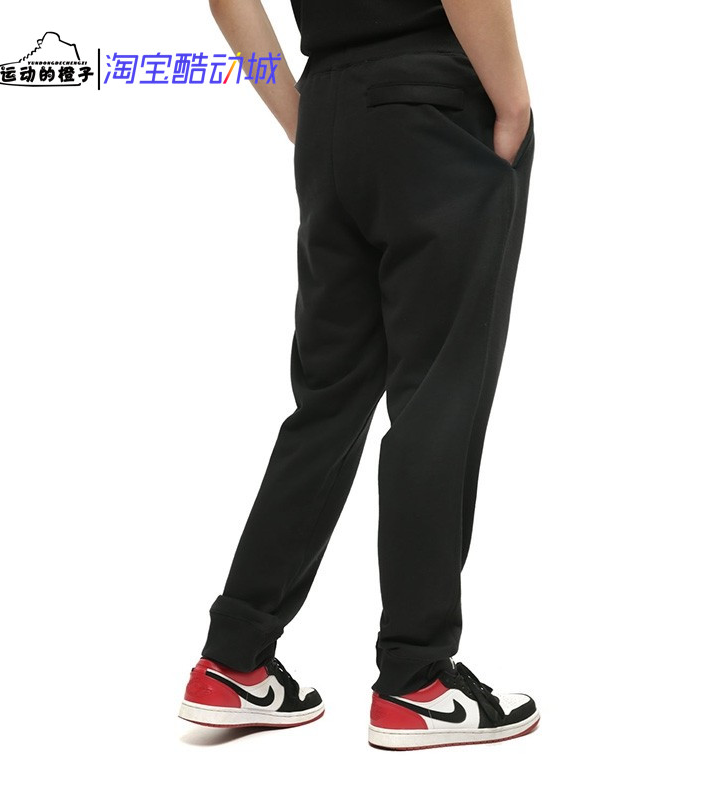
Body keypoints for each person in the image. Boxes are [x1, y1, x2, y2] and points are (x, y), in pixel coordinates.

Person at [179, 0, 539, 750]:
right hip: (434, 104)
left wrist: (303, 117)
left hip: (331, 109)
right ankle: (418, 680)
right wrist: (512, 102)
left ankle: (234, 659)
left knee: (328, 403)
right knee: (439, 393)